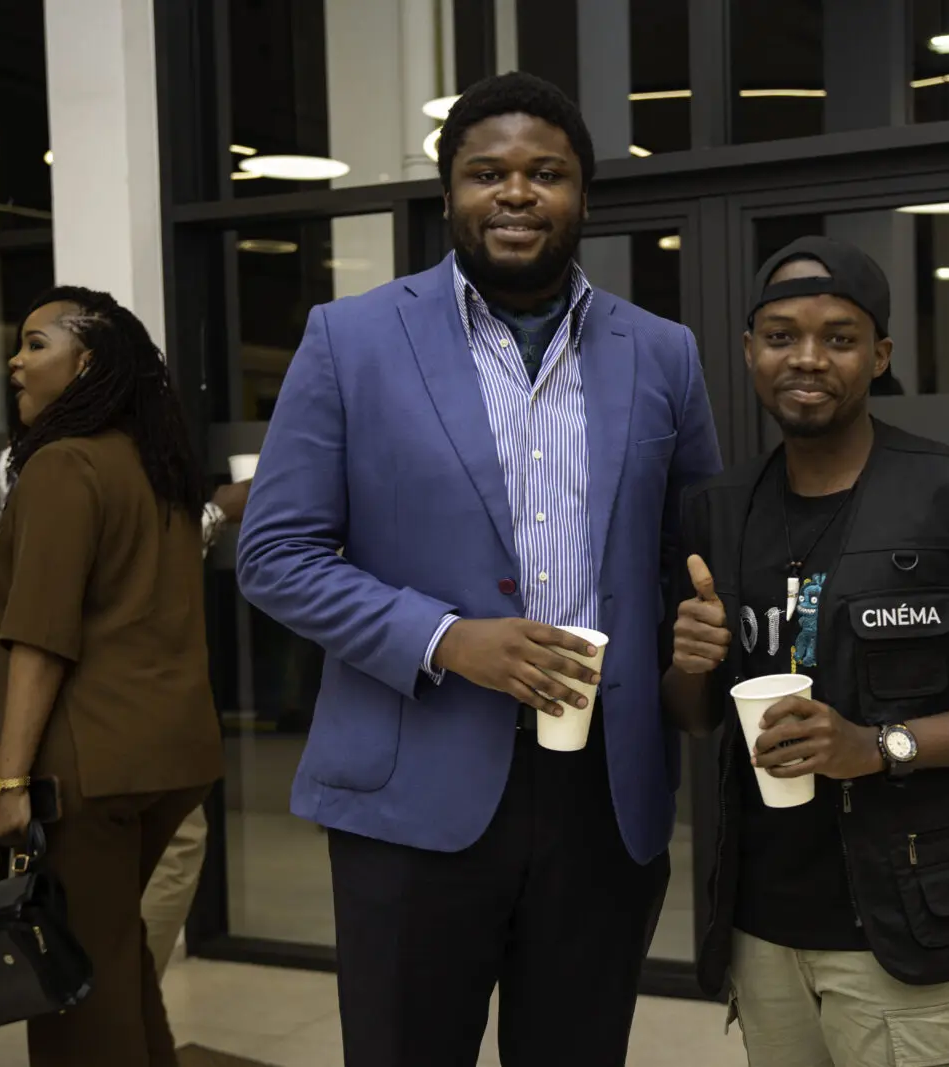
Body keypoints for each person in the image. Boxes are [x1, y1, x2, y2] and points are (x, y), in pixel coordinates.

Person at [235, 71, 721, 1067]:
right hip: (411, 787)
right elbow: (275, 554)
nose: (516, 193)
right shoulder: (350, 339)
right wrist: (448, 638)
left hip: (602, 794)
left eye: (547, 172)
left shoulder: (662, 353)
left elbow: (694, 551)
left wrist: (697, 640)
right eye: (486, 172)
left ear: (582, 195)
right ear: (449, 191)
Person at [664, 237, 949, 1067]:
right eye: (781, 336)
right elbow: (695, 715)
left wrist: (879, 746)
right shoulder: (720, 509)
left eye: (839, 337)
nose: (807, 358)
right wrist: (689, 664)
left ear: (879, 355)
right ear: (749, 351)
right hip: (762, 927)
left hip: (908, 922)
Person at [0, 286, 224, 1066]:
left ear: (86, 363)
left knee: (72, 992)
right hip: (170, 759)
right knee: (114, 953)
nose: (15, 362)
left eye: (36, 344)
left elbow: (40, 638)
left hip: (85, 767)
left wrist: (8, 781)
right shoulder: (158, 468)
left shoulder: (63, 465)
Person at [0, 434, 249, 980]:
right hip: (94, 699)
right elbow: (120, 567)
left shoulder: (37, 457)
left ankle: (110, 993)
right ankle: (113, 991)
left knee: (136, 854)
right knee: (164, 846)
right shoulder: (66, 460)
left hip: (75, 697)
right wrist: (220, 509)